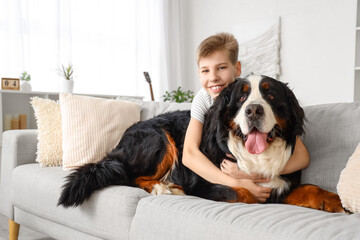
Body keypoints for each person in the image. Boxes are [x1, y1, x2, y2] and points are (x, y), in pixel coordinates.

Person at [182, 32, 310, 203]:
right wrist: (237, 183)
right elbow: (189, 153)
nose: (213, 77)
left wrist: (252, 174)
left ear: (237, 69)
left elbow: (302, 157)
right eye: (205, 70)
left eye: (221, 68)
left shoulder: (248, 89)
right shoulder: (203, 98)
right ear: (199, 73)